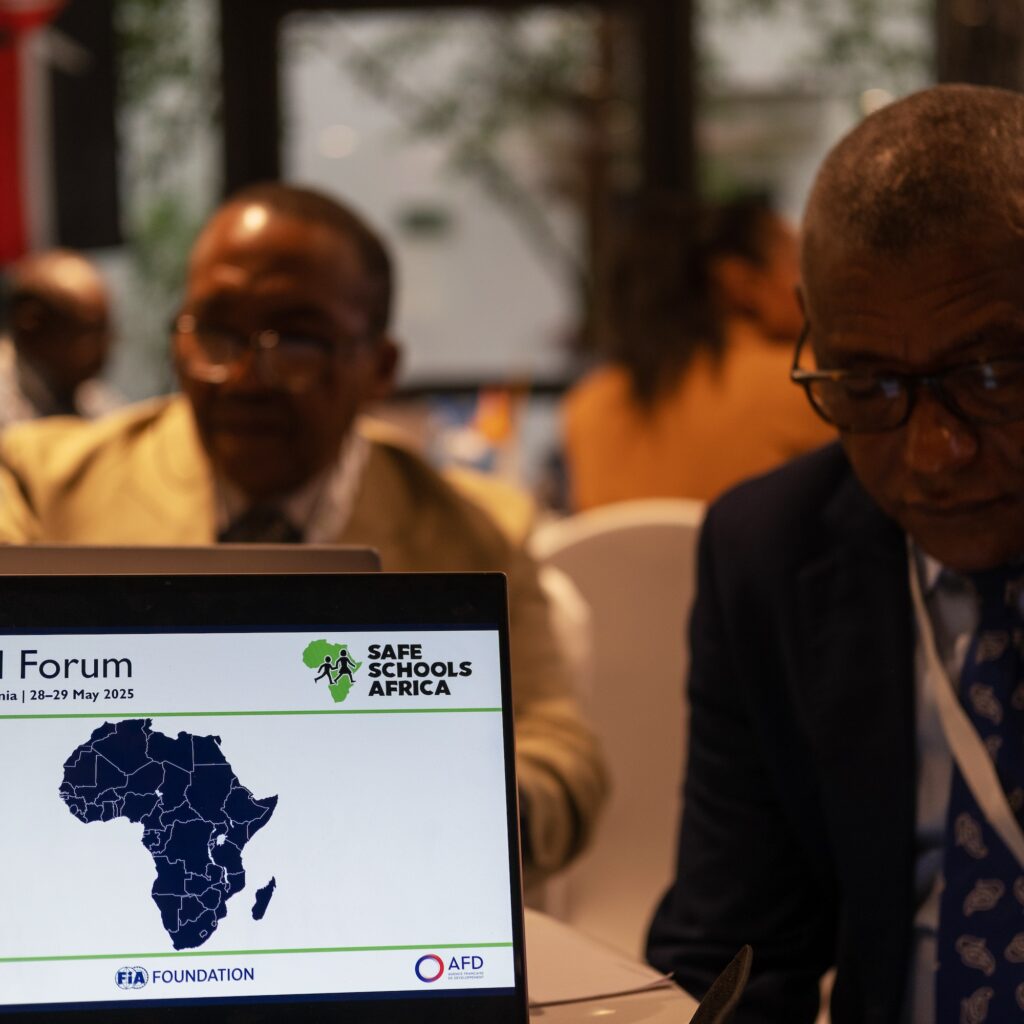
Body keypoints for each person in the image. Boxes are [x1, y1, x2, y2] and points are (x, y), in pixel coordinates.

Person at [0, 183, 607, 886]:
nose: (245, 378)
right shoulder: (43, 486)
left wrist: (456, 810)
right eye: (215, 332)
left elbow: (560, 751)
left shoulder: (472, 534)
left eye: (296, 341)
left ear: (380, 367)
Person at [647, 84, 1024, 1023]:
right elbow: (732, 951)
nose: (935, 451)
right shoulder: (770, 553)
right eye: (870, 386)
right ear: (810, 325)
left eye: (992, 375)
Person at [561, 195, 832, 508]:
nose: (814, 283)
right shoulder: (805, 385)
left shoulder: (587, 406)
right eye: (798, 264)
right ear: (740, 281)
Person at [0, 249, 119, 425]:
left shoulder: (82, 392)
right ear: (31, 326)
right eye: (88, 332)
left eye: (105, 332)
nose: (105, 345)